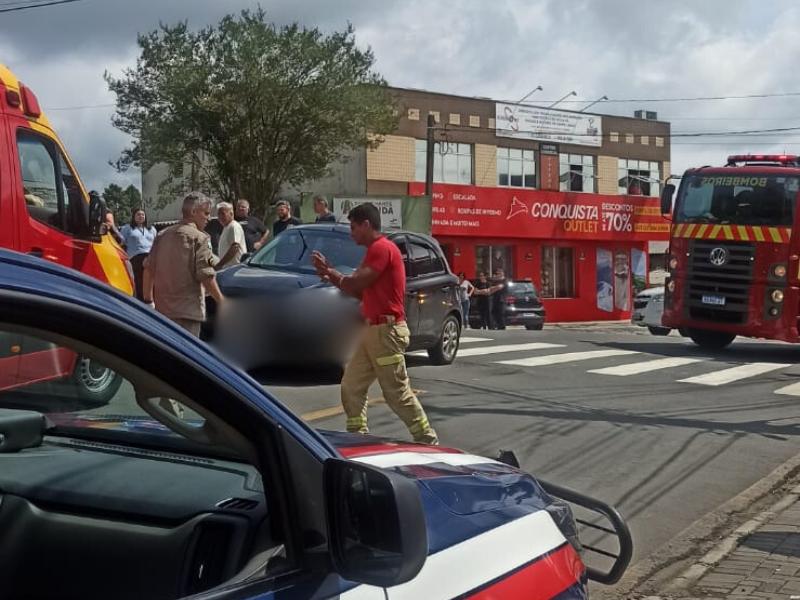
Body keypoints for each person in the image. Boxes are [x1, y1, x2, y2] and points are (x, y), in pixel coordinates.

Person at [311, 202, 438, 445]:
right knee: (351, 386)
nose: (352, 233)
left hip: (386, 332)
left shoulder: (381, 249)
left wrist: (331, 273)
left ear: (367, 224)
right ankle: (358, 439)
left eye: (354, 227)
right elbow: (360, 292)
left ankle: (428, 441)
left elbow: (356, 284)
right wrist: (331, 274)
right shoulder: (375, 252)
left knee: (396, 394)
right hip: (374, 331)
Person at [142, 191, 224, 338]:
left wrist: (148, 301)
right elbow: (206, 275)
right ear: (193, 211)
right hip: (188, 314)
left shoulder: (162, 236)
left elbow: (148, 270)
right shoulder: (200, 238)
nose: (208, 218)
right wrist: (222, 302)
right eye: (206, 213)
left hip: (163, 313)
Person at [119, 208, 156, 300]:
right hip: (136, 258)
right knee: (139, 282)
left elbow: (156, 243)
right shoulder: (127, 228)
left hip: (151, 257)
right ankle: (141, 302)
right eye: (138, 215)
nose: (141, 216)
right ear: (134, 217)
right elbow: (121, 243)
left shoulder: (151, 229)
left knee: (153, 282)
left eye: (142, 215)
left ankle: (152, 301)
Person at [215, 201, 246, 269]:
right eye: (218, 214)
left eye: (223, 214)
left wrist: (220, 264)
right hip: (228, 268)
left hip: (234, 268)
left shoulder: (233, 226)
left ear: (231, 214)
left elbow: (235, 247)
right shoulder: (227, 227)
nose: (220, 217)